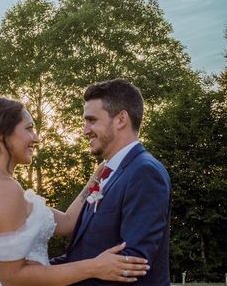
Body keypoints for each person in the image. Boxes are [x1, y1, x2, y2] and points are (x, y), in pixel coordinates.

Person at [0, 95, 150, 286]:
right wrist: (95, 267)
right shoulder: (3, 189)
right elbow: (12, 277)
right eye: (29, 128)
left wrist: (95, 179)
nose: (37, 138)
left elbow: (67, 222)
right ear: (2, 133)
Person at [51, 78, 172, 285]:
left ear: (120, 119)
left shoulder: (144, 172)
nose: (85, 130)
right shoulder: (108, 173)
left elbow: (131, 265)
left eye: (92, 120)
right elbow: (84, 258)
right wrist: (29, 272)